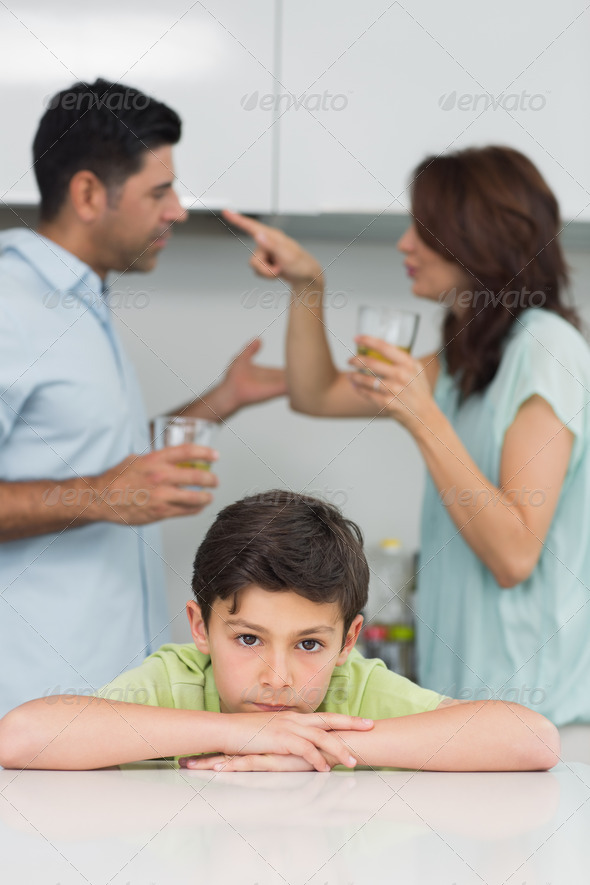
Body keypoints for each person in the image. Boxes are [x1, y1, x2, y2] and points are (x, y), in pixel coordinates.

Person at [221, 145, 590, 727]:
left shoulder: (544, 349)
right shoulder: (468, 359)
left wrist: (421, 415)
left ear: (479, 235)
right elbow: (315, 394)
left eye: (423, 229)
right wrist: (308, 286)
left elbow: (514, 555)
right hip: (467, 698)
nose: (404, 245)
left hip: (536, 711)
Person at [0, 79, 285, 717]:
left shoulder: (81, 303)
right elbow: (102, 483)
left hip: (109, 698)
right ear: (88, 193)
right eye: (160, 191)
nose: (178, 210)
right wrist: (101, 496)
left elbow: (96, 453)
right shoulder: (9, 306)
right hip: (28, 709)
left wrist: (222, 399)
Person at [0, 490, 559, 771]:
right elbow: (21, 736)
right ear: (200, 626)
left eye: (309, 644)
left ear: (348, 641)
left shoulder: (353, 694)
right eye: (248, 639)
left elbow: (532, 739)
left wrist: (316, 743)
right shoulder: (178, 681)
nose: (278, 677)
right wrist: (240, 735)